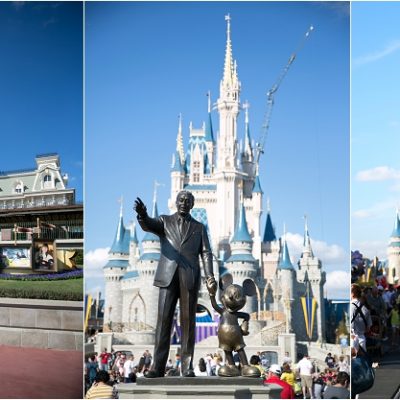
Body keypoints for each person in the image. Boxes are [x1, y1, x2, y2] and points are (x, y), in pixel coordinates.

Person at [134, 191, 216, 378]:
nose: (184, 203)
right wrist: (142, 215)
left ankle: (186, 366)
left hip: (190, 277)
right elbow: (149, 225)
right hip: (167, 276)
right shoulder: (164, 221)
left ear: (192, 204)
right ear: (176, 202)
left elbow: (206, 253)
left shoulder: (199, 227)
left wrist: (209, 275)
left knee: (189, 322)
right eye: (181, 200)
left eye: (188, 201)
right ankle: (157, 366)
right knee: (163, 321)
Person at [351, 284, 372, 351]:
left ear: (352, 294)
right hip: (362, 339)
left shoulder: (350, 306)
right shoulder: (365, 308)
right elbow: (368, 328)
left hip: (352, 339)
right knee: (362, 359)